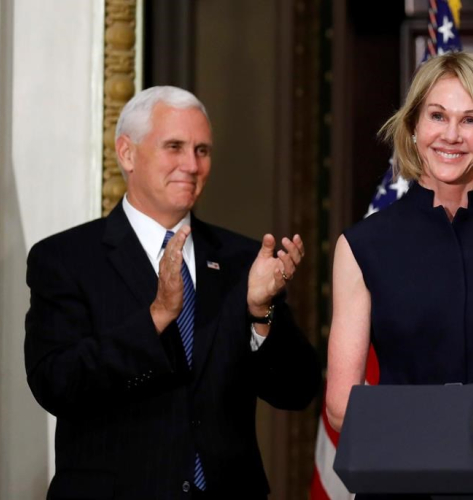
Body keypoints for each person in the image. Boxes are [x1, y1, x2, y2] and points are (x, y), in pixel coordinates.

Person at [24, 86, 321, 499]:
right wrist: (157, 316)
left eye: (202, 150)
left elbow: (297, 390)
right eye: (174, 147)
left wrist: (260, 312)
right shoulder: (66, 259)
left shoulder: (243, 261)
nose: (191, 164)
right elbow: (57, 384)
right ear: (127, 154)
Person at [326, 52, 473, 431]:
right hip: (399, 472)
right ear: (414, 126)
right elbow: (341, 406)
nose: (451, 135)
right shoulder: (362, 245)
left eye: (470, 120)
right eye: (437, 116)